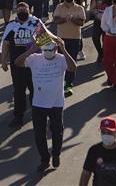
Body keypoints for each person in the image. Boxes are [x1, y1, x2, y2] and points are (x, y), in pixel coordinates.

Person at [15, 37, 76, 172]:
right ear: (42, 49)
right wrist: (30, 50)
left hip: (56, 103)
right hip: (38, 103)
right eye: (46, 49)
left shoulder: (61, 59)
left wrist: (64, 50)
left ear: (56, 49)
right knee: (39, 134)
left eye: (51, 49)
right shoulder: (34, 58)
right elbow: (17, 63)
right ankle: (44, 159)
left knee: (57, 131)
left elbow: (73, 67)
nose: (48, 52)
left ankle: (56, 154)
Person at [0, 2, 43, 128]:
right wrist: (3, 60)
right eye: (20, 10)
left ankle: (37, 115)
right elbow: (6, 44)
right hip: (17, 64)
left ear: (30, 11)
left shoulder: (36, 23)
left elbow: (45, 39)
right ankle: (18, 116)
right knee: (19, 91)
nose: (22, 12)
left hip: (34, 63)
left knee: (35, 89)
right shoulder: (11, 26)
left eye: (24, 10)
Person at [52, 0, 86, 97]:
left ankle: (69, 84)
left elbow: (81, 22)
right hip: (62, 39)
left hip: (75, 39)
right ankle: (60, 83)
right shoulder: (59, 7)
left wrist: (72, 19)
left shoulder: (79, 8)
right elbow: (55, 20)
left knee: (72, 62)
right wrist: (64, 19)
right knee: (61, 62)